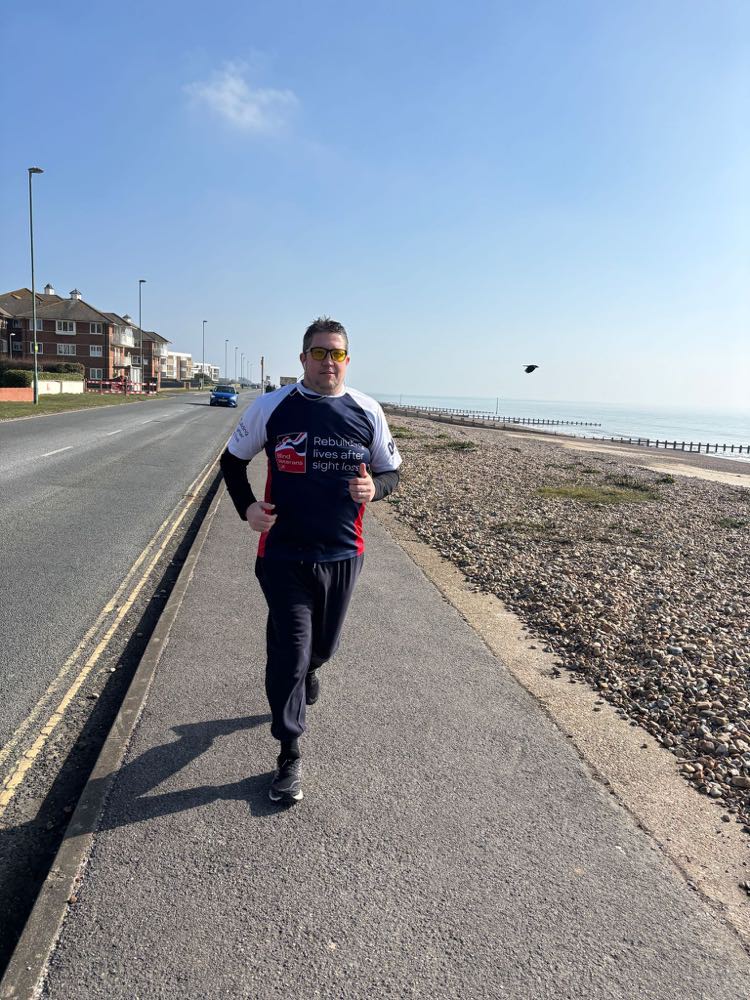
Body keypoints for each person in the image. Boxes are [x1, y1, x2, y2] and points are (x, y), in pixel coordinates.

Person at [220, 317, 402, 803]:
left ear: (347, 359)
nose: (328, 362)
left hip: (343, 553)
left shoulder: (367, 410)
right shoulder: (273, 407)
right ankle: (289, 753)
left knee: (321, 648)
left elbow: (390, 472)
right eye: (318, 353)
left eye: (336, 353)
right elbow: (232, 461)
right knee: (290, 652)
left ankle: (311, 668)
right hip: (282, 554)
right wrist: (248, 508)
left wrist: (374, 489)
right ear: (303, 359)